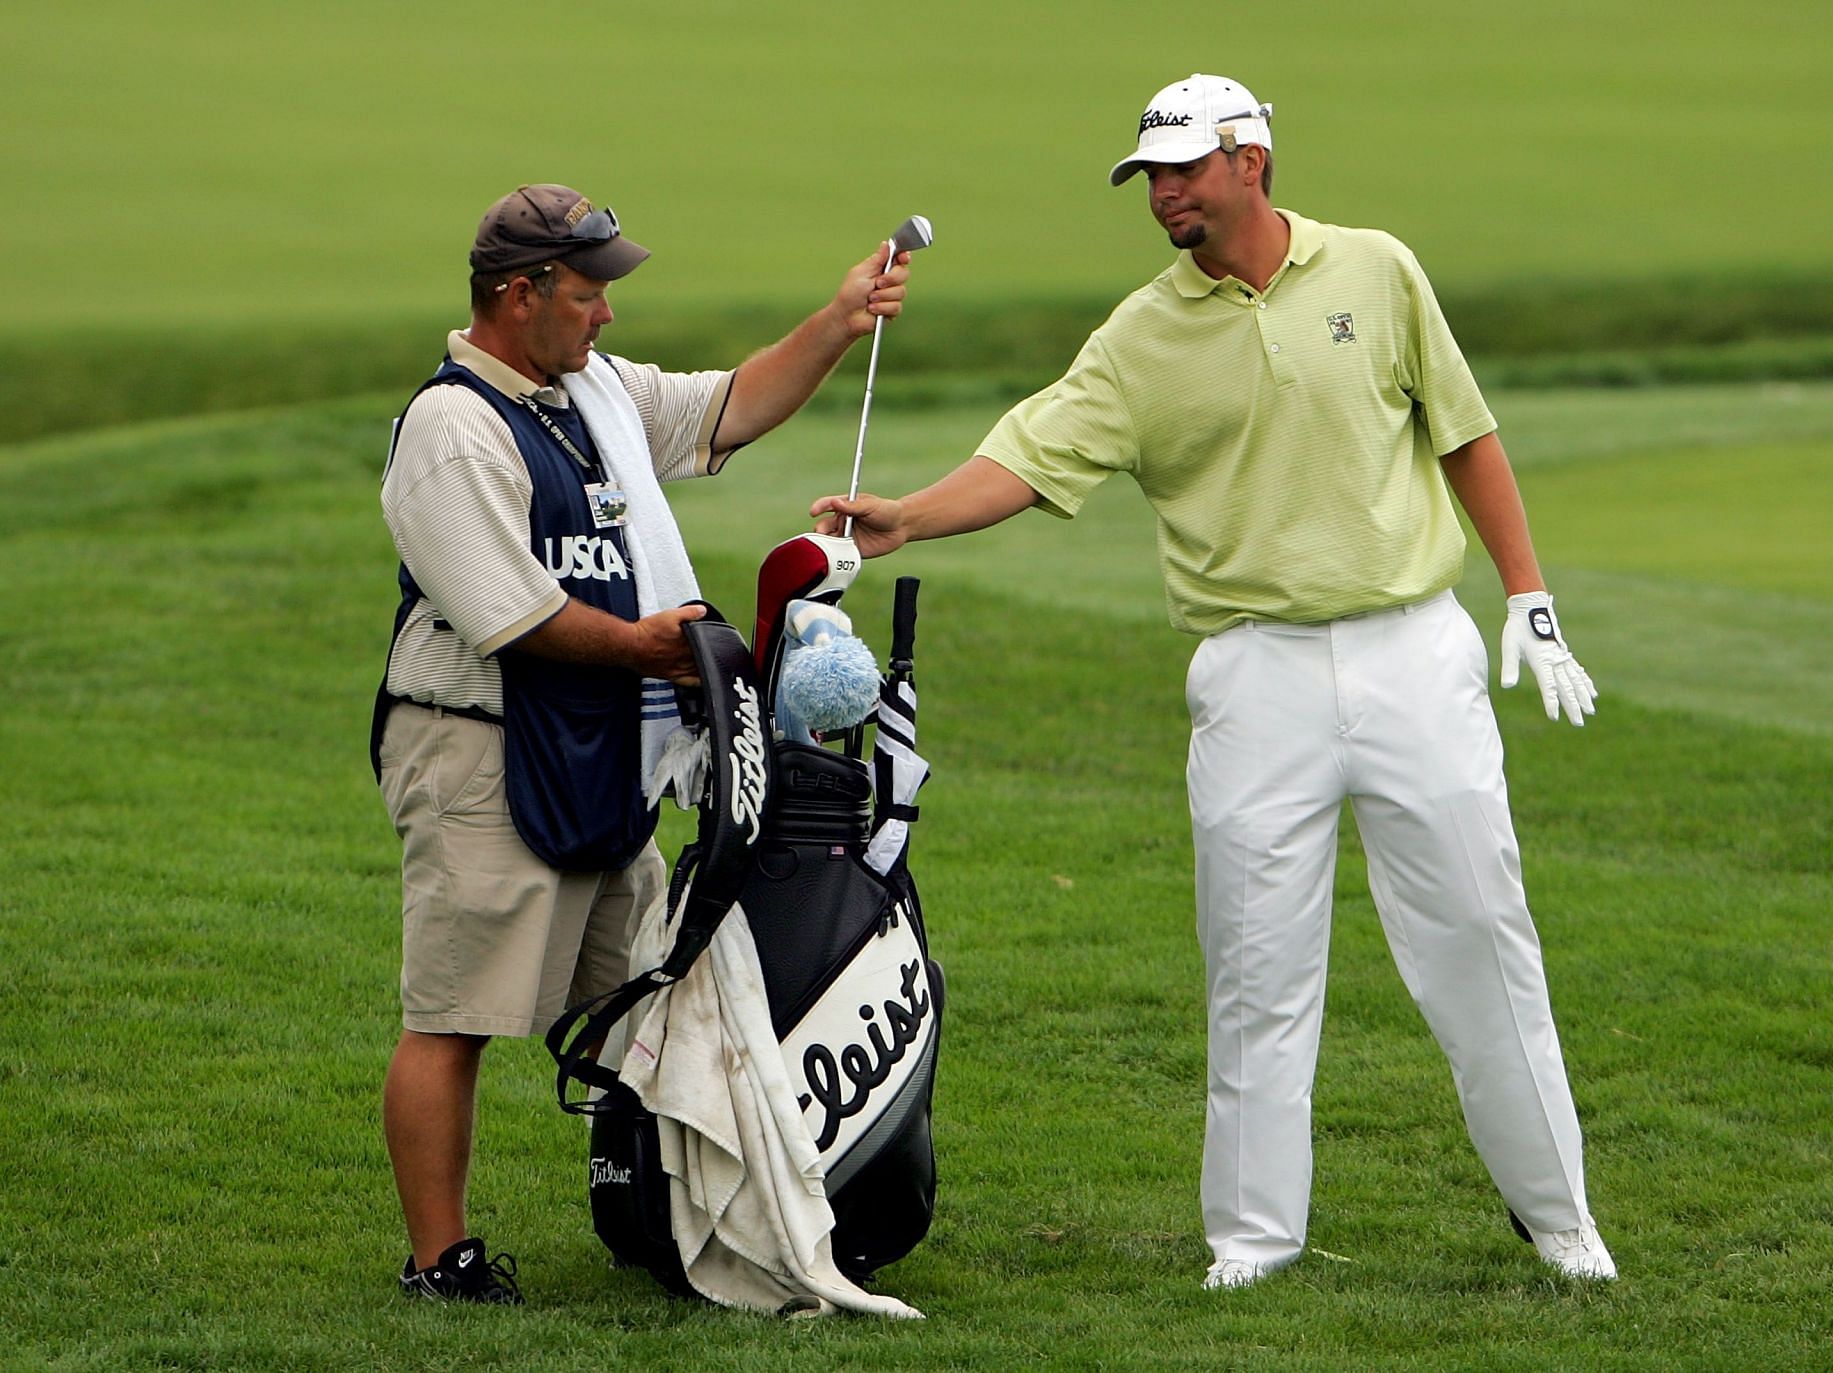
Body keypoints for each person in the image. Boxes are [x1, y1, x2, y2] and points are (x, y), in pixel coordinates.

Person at [811, 75, 1615, 1288]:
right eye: (1150, 176)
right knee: (1254, 969)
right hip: (1253, 675)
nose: (1165, 193)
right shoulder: (1142, 334)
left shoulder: (1378, 270)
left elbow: (1464, 431)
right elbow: (1029, 455)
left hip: (1412, 649)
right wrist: (908, 520)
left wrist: (1530, 596)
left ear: (1253, 159)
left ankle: (1564, 1222)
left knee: (1483, 946)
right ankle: (1252, 1242)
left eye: (1185, 167)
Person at [373, 183, 911, 1303]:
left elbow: (727, 410)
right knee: (456, 1013)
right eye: (588, 291)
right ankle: (438, 1259)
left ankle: (661, 1211)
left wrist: (838, 316)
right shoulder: (453, 425)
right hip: (478, 743)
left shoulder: (591, 392)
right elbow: (509, 614)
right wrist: (655, 649)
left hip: (600, 735)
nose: (607, 314)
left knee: (642, 990)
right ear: (521, 296)